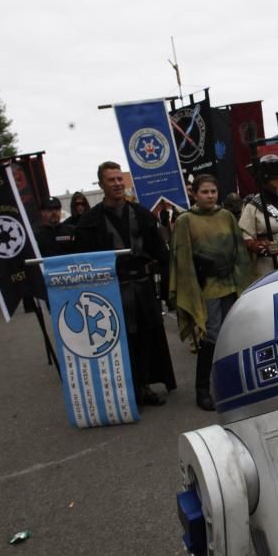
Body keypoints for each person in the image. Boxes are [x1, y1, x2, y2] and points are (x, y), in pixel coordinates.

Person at [75, 161, 177, 408]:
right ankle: (125, 390)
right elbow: (83, 261)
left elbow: (161, 254)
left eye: (120, 179)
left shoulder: (142, 214)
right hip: (110, 290)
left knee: (146, 337)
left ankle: (145, 385)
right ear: (101, 185)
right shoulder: (89, 222)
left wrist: (167, 290)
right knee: (118, 341)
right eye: (111, 180)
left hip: (142, 286)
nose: (117, 184)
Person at [170, 175, 253, 411]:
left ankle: (234, 385)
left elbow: (239, 249)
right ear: (194, 194)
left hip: (231, 281)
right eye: (205, 192)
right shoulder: (185, 220)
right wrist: (195, 283)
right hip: (207, 286)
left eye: (213, 191)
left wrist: (239, 277)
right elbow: (182, 259)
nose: (210, 196)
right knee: (213, 335)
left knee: (233, 334)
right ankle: (202, 390)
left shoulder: (226, 216)